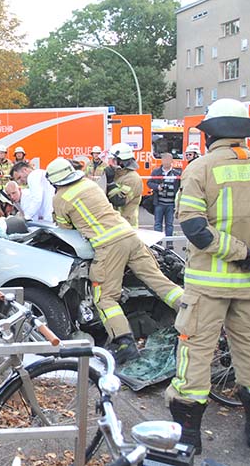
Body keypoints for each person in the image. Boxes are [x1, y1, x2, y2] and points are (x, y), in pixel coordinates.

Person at [166, 98, 250, 454]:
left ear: (210, 132)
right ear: (245, 133)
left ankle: (189, 440)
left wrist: (239, 252)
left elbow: (195, 229)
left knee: (195, 357)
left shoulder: (200, 169)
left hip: (208, 287)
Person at [46, 157, 184, 365]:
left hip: (108, 246)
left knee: (104, 298)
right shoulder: (88, 184)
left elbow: (65, 230)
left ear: (54, 182)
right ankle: (193, 314)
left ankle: (124, 343)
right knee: (159, 282)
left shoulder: (60, 198)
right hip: (131, 236)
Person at [106, 143, 142, 227]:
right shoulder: (118, 175)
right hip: (114, 224)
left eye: (113, 160)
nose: (111, 163)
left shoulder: (132, 179)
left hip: (126, 226)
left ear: (121, 162)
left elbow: (119, 200)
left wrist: (110, 183)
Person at [147, 153, 180, 240]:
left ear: (172, 161)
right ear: (162, 160)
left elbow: (180, 186)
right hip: (159, 203)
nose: (166, 161)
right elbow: (149, 183)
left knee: (169, 224)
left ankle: (169, 243)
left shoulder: (176, 173)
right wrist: (157, 187)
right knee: (158, 224)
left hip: (171, 204)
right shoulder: (156, 172)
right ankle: (158, 242)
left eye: (168, 160)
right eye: (164, 159)